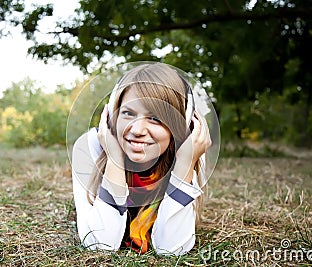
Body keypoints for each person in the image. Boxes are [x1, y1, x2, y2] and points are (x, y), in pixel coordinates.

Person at [71, 62, 212, 255]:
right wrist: (114, 159)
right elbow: (99, 245)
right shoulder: (90, 146)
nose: (137, 130)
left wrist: (184, 165)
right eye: (128, 113)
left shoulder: (190, 151)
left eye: (155, 118)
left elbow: (171, 248)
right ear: (113, 116)